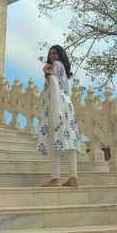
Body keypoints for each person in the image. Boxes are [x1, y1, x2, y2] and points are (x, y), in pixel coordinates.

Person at [37, 45, 81, 187]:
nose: (52, 56)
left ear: (60, 55)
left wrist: (46, 72)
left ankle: (56, 178)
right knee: (69, 139)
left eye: (55, 53)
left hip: (57, 105)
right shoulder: (61, 67)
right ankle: (73, 177)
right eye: (50, 54)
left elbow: (53, 83)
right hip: (66, 105)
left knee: (53, 139)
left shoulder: (54, 65)